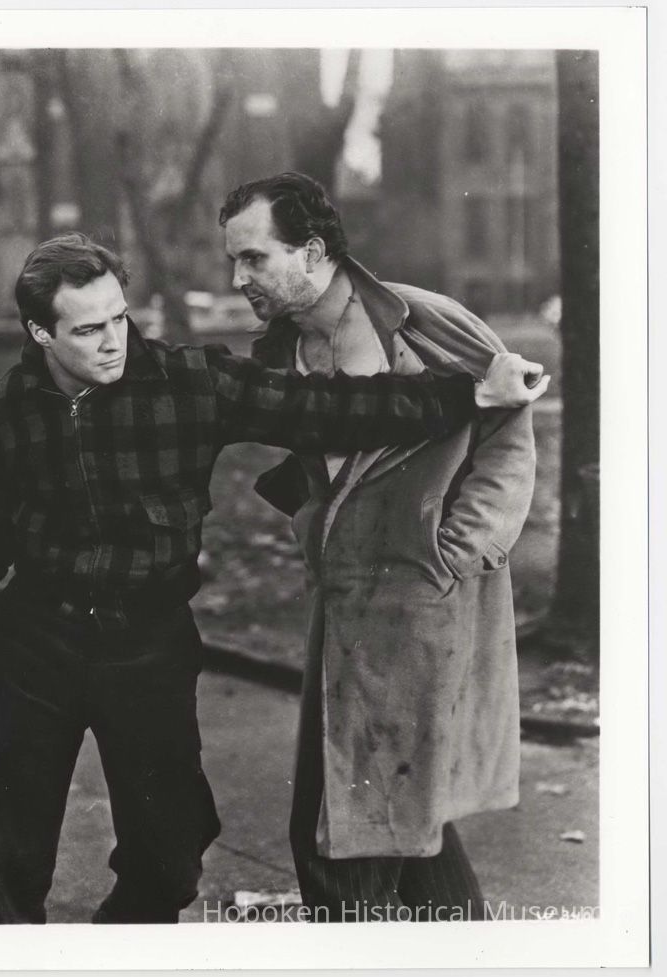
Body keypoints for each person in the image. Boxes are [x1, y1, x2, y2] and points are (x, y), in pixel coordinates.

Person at [0, 233, 548, 924]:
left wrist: (470, 392)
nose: (113, 341)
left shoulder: (189, 383)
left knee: (169, 857)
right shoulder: (6, 406)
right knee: (1, 862)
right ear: (40, 333)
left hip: (145, 643)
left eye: (119, 317)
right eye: (88, 330)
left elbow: (330, 407)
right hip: (35, 642)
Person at [220, 172, 539, 920]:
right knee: (397, 818)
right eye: (234, 261)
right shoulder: (280, 352)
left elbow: (510, 425)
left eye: (254, 258)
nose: (238, 279)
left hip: (424, 601)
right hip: (341, 603)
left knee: (343, 839)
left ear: (312, 251)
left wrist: (457, 550)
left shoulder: (422, 322)